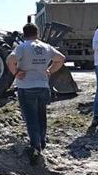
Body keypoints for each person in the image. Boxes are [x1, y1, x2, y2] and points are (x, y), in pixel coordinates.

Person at [6, 23, 66, 164]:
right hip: (43, 86)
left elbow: (10, 60)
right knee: (41, 115)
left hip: (26, 87)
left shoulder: (22, 47)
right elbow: (61, 58)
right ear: (37, 33)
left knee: (31, 117)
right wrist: (49, 71)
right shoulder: (45, 47)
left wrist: (16, 72)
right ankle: (42, 140)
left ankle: (35, 146)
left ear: (24, 33)